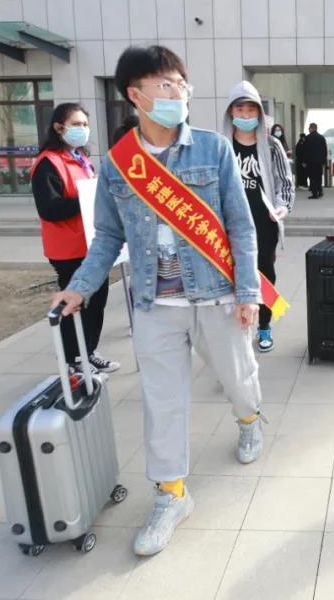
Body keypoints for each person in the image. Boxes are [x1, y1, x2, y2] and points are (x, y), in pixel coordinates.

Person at [51, 45, 267, 557]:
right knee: (162, 403)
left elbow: (240, 225)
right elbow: (107, 236)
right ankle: (172, 495)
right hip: (154, 304)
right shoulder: (118, 164)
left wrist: (248, 292)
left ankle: (249, 421)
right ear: (136, 94)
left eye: (181, 84)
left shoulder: (213, 149)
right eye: (166, 84)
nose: (178, 93)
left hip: (215, 295)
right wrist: (80, 286)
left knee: (238, 379)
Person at [30, 104, 119, 374]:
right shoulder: (48, 163)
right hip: (68, 250)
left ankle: (88, 352)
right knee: (74, 305)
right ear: (59, 127)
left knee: (97, 302)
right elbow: (49, 209)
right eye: (77, 124)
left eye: (85, 124)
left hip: (91, 245)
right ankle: (72, 359)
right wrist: (86, 198)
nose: (83, 129)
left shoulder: (80, 158)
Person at [223, 81, 295, 353]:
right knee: (231, 277)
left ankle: (264, 325)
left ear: (259, 113)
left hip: (264, 224)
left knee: (264, 275)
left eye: (250, 109)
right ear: (231, 112)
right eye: (240, 109)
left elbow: (285, 182)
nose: (245, 115)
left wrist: (282, 207)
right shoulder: (221, 145)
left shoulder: (272, 145)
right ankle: (237, 329)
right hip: (229, 226)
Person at [304, 123, 328, 199]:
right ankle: (320, 191)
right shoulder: (321, 137)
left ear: (312, 128)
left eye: (309, 128)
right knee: (318, 176)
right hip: (319, 162)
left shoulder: (308, 138)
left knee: (312, 177)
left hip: (311, 162)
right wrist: (324, 161)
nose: (308, 129)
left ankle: (314, 193)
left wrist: (304, 161)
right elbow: (325, 150)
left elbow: (306, 151)